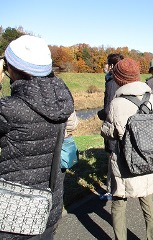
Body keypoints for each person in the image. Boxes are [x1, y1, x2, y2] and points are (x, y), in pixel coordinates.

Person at [0, 35, 74, 239]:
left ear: (13, 69)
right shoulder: (60, 101)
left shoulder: (10, 109)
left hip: (13, 209)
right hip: (48, 204)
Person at [100, 58, 153, 240]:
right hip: (149, 158)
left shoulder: (117, 103)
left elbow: (109, 132)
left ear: (119, 79)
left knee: (119, 203)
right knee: (148, 202)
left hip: (125, 162)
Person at [98, 53, 123, 201]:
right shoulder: (123, 80)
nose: (104, 66)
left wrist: (100, 114)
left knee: (113, 158)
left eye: (107, 63)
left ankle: (112, 191)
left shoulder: (112, 82)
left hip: (113, 126)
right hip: (123, 125)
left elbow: (109, 109)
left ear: (112, 66)